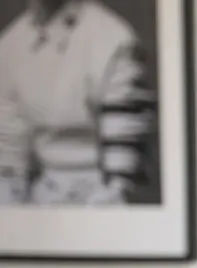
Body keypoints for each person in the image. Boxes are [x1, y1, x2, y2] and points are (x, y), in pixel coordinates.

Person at [0, 0, 155, 205]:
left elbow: (123, 170)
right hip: (43, 202)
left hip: (103, 198)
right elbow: (9, 161)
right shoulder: (11, 44)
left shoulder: (114, 39)